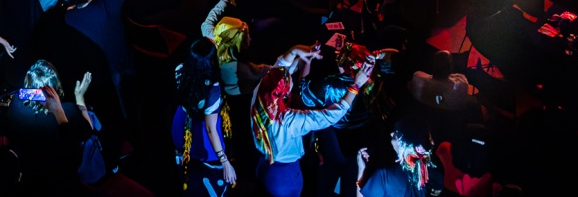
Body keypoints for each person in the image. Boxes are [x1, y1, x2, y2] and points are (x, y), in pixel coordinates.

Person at [251, 45, 375, 197]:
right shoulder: (289, 121)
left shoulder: (260, 92)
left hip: (264, 163)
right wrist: (356, 85)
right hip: (284, 176)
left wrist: (295, 52)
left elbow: (277, 70)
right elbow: (329, 116)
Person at [174, 37, 237, 193]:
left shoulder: (180, 69)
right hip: (201, 132)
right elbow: (210, 128)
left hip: (181, 122)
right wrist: (225, 161)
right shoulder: (213, 88)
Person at [354, 116, 443, 197]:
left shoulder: (385, 175)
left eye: (396, 133)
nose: (391, 134)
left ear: (404, 144)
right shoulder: (430, 170)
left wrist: (361, 170)